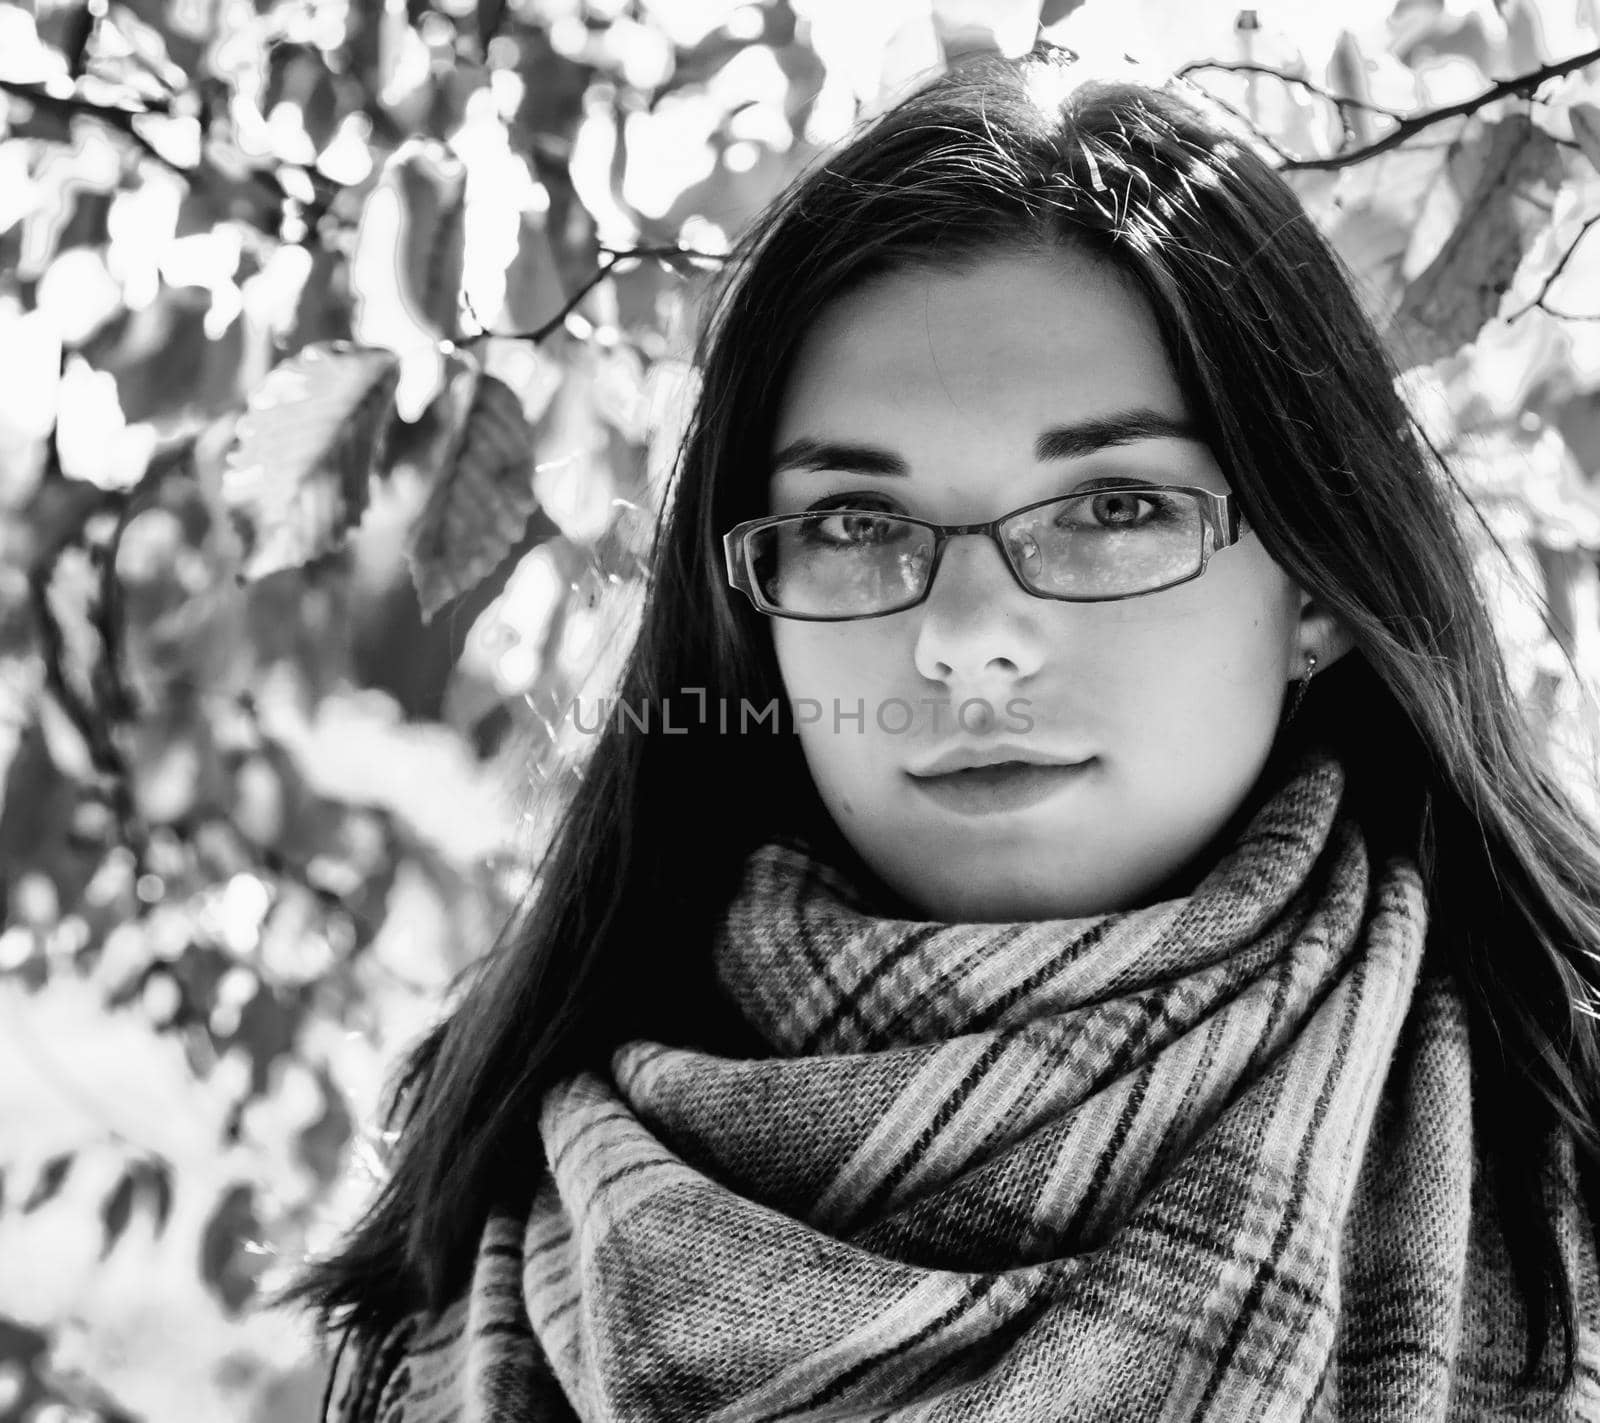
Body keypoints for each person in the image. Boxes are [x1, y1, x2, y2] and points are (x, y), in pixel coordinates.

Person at [287, 41, 1600, 1420]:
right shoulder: (492, 1209)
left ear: (1318, 586)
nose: (967, 633)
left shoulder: (1558, 1147)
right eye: (858, 524)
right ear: (757, 600)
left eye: (1115, 506)